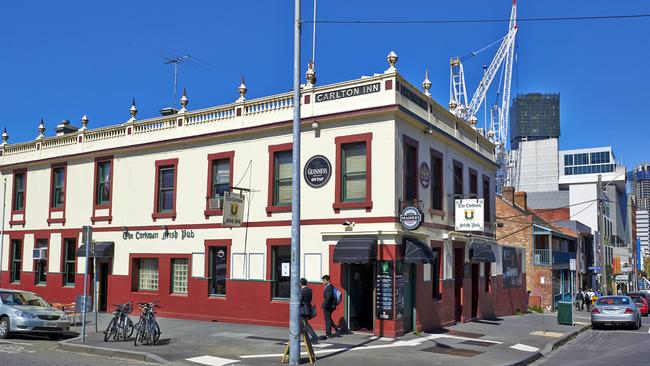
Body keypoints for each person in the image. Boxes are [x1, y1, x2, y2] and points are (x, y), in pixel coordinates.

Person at [320, 274, 340, 340]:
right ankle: (336, 328)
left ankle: (328, 333)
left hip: (329, 306)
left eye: (324, 280)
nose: (323, 282)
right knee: (328, 318)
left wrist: (324, 306)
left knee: (327, 319)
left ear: (328, 280)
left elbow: (328, 298)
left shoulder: (329, 287)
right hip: (330, 305)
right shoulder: (329, 286)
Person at [299, 278, 319, 344]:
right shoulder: (310, 290)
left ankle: (314, 336)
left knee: (305, 323)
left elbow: (300, 300)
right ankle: (298, 336)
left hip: (303, 309)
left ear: (301, 283)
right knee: (301, 323)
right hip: (308, 308)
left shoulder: (302, 291)